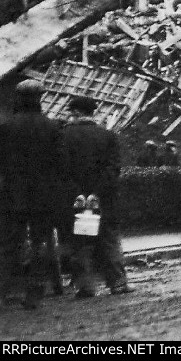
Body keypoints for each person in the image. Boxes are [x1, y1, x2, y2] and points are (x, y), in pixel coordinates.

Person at [0, 80, 70, 309]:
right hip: (43, 196)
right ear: (39, 98)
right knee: (42, 241)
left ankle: (3, 292)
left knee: (10, 243)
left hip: (13, 194)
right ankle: (35, 291)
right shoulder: (52, 127)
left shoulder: (7, 127)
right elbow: (61, 164)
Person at [61, 96, 131, 297]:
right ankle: (118, 282)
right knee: (109, 238)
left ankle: (86, 287)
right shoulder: (108, 136)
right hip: (104, 199)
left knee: (80, 241)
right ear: (93, 114)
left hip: (76, 200)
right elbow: (113, 168)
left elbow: (62, 170)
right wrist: (96, 192)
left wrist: (79, 194)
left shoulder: (64, 136)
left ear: (75, 113)